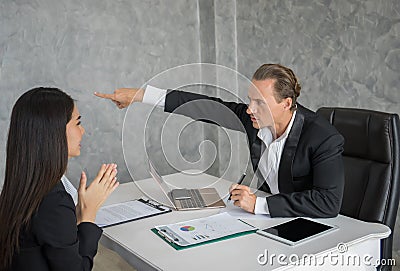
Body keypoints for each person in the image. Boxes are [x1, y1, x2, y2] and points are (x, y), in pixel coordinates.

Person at [95, 64, 344, 218]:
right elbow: (204, 107)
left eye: (259, 102)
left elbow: (328, 203)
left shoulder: (323, 138)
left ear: (286, 104)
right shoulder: (254, 119)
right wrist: (141, 95)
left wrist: (259, 204)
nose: (249, 109)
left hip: (309, 227)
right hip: (271, 223)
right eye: (250, 99)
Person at [0, 87, 119, 271]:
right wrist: (88, 216)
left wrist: (77, 217)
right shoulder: (53, 202)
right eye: (77, 123)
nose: (83, 131)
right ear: (54, 132)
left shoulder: (21, 188)